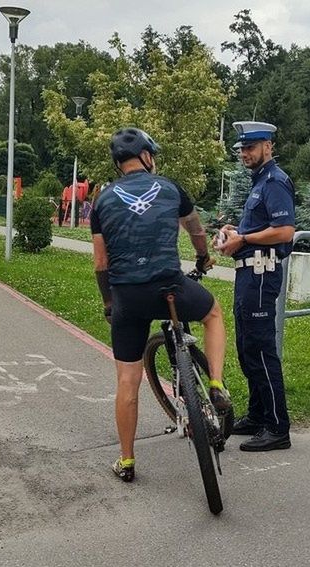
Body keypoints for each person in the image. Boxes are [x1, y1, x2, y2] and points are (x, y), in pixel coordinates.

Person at [92, 127, 231, 482]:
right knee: (213, 314)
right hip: (170, 288)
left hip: (128, 296)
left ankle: (126, 461)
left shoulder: (102, 201)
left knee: (127, 379)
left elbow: (101, 263)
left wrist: (110, 303)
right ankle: (215, 384)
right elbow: (196, 230)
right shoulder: (170, 188)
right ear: (146, 156)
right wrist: (202, 259)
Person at [214, 121, 295, 452]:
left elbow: (285, 231)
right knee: (248, 348)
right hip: (249, 275)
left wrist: (243, 238)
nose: (245, 154)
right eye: (242, 149)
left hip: (261, 276)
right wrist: (236, 230)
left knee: (261, 350)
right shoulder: (260, 181)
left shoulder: (275, 181)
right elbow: (263, 225)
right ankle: (260, 415)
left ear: (268, 147)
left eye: (251, 147)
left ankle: (278, 427)